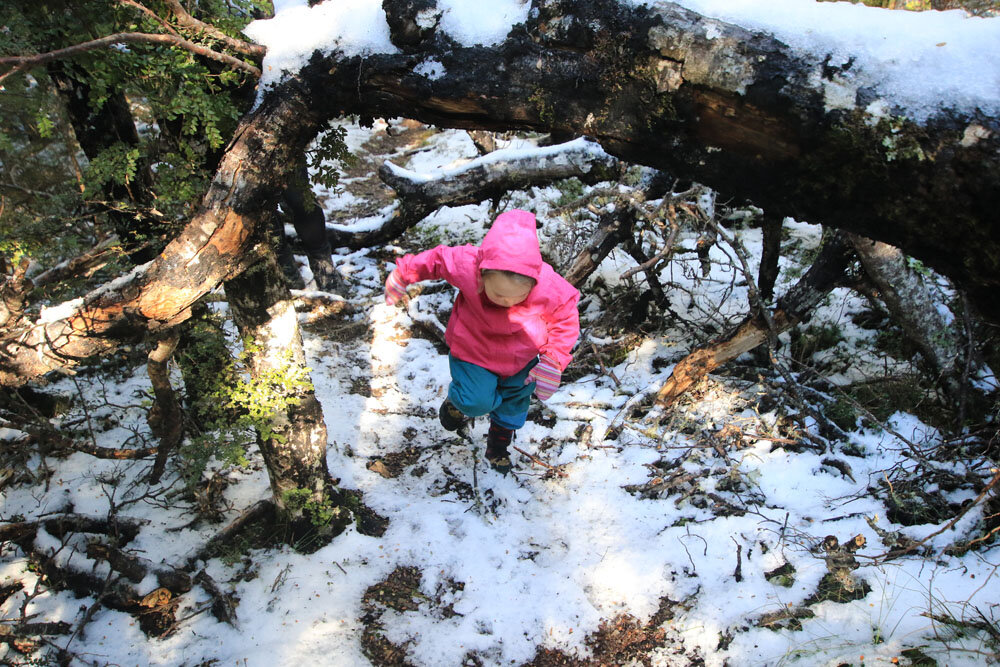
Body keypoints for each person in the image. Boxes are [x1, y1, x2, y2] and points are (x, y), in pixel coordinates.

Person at [383, 209, 580, 473]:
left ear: (533, 283)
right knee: (477, 401)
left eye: (517, 297)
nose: (507, 302)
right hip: (474, 349)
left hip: (521, 357)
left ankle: (498, 445)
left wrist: (553, 359)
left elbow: (566, 318)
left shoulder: (548, 286)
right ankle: (457, 403)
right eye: (498, 295)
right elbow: (438, 260)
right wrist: (405, 272)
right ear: (482, 274)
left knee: (514, 403)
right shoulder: (468, 265)